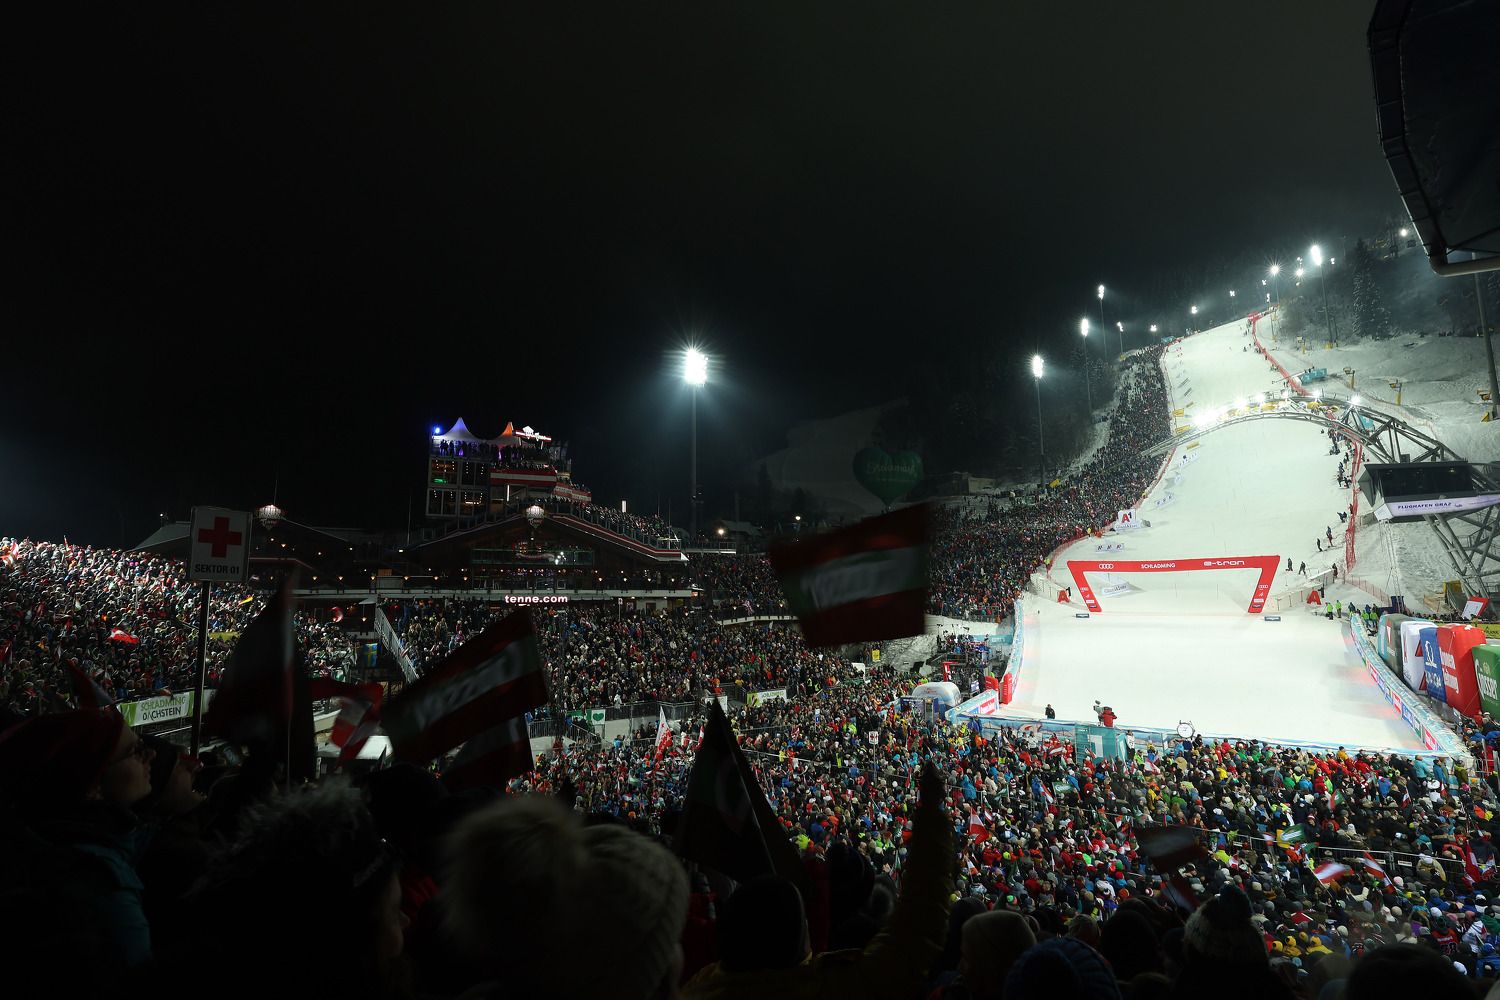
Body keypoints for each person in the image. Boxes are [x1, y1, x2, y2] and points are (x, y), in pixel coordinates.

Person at [0, 707, 156, 981]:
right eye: (136, 750)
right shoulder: (102, 886)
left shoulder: (47, 840)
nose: (151, 754)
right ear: (94, 783)